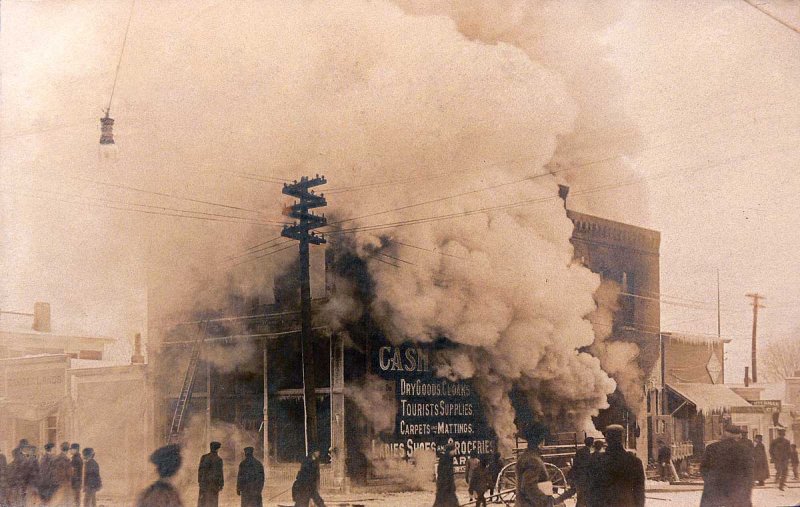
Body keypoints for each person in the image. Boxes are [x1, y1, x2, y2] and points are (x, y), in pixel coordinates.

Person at [587, 425, 645, 507]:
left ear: (607, 439)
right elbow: (639, 493)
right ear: (622, 438)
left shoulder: (597, 461)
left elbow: (591, 491)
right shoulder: (635, 462)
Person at [700, 424, 752, 507]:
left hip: (714, 490)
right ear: (737, 436)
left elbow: (703, 468)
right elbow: (749, 472)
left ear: (724, 434)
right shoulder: (744, 450)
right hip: (736, 491)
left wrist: (709, 481)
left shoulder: (711, 448)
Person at [515, 422, 552, 507]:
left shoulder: (525, 456)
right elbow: (528, 487)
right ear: (541, 441)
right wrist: (547, 501)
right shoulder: (533, 460)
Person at [569, 437, 594, 507]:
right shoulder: (588, 453)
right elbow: (588, 466)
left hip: (578, 476)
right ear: (591, 444)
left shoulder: (579, 451)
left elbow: (575, 463)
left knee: (580, 497)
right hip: (584, 477)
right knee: (584, 497)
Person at [198, 441, 224, 507]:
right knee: (213, 502)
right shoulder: (218, 459)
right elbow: (220, 473)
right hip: (214, 485)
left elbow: (200, 471)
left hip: (204, 484)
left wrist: (200, 482)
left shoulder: (203, 457)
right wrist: (221, 484)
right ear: (217, 449)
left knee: (203, 502)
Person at [432, 442, 458, 507]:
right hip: (445, 485)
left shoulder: (447, 458)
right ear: (450, 450)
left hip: (445, 485)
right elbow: (445, 473)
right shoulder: (446, 459)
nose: (455, 452)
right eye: (454, 450)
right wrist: (449, 485)